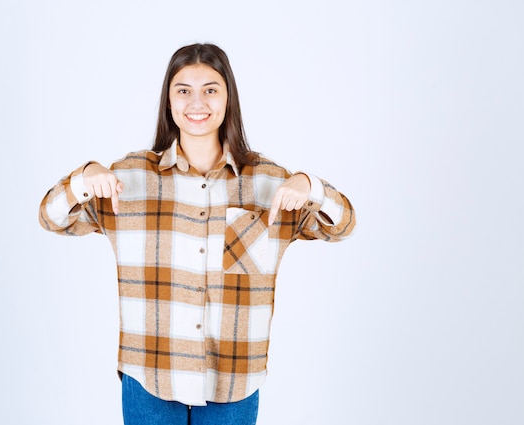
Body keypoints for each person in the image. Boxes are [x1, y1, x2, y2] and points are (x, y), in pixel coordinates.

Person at [39, 43, 356, 425]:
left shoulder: (268, 183)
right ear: (169, 102)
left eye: (210, 89)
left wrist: (310, 185)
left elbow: (342, 225)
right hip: (150, 375)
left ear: (227, 98)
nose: (197, 102)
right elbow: (52, 217)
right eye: (183, 90)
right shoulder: (130, 178)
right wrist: (84, 177)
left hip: (233, 381)